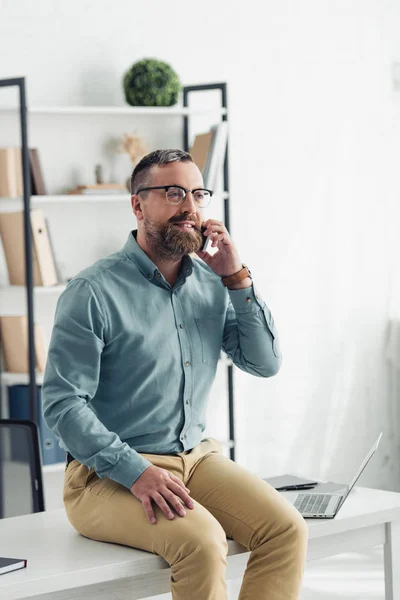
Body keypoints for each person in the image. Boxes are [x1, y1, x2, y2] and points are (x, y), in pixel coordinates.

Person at [42, 149, 308, 600]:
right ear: (137, 205)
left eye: (197, 194)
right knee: (203, 542)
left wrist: (236, 278)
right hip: (106, 477)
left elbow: (263, 363)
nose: (190, 207)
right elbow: (63, 405)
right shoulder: (91, 292)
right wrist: (136, 471)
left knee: (286, 530)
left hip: (196, 459)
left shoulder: (212, 283)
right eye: (172, 193)